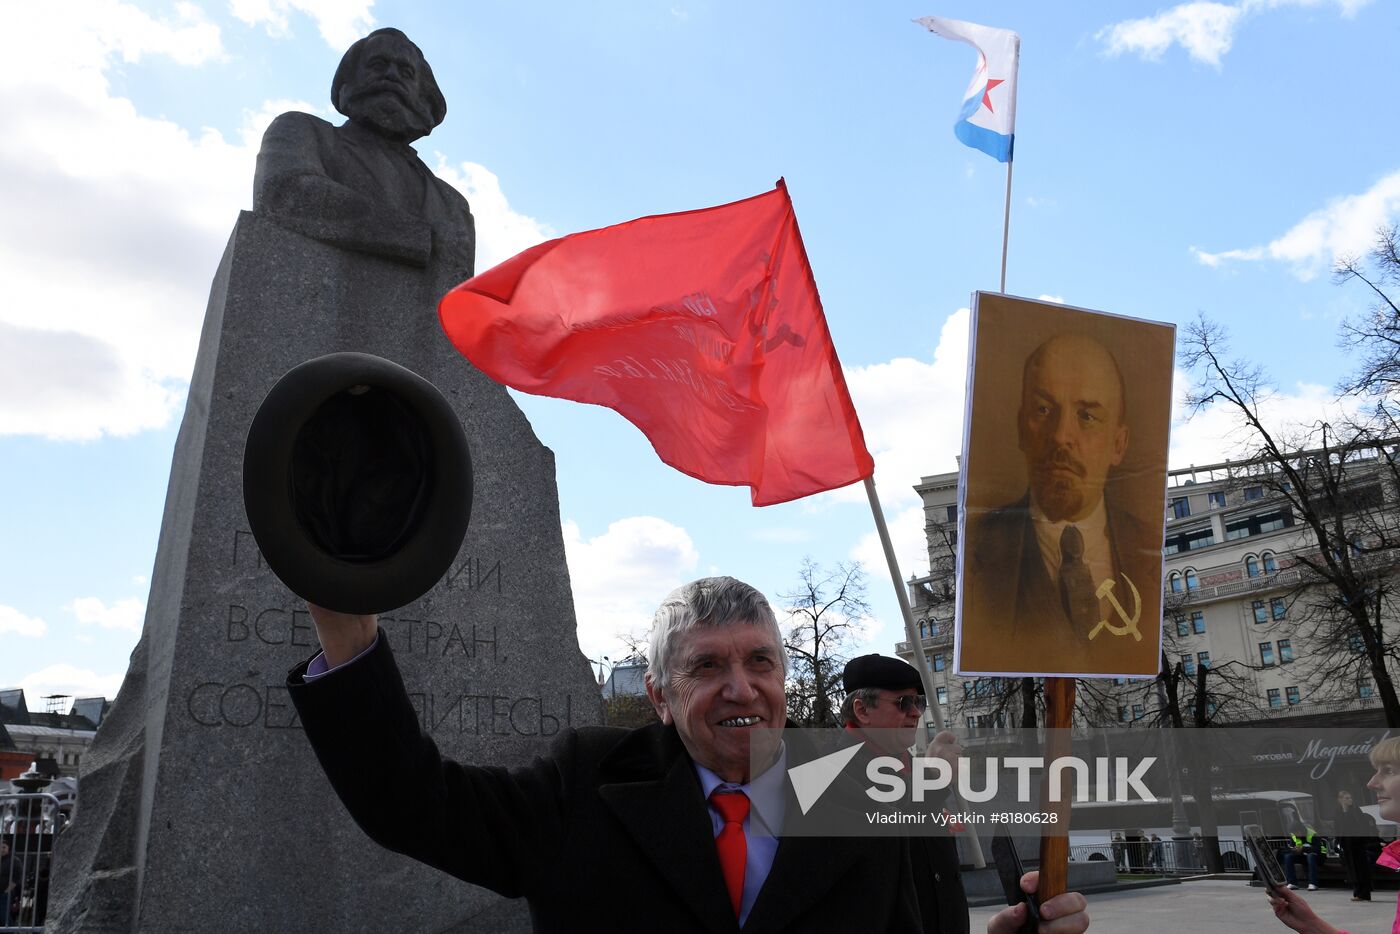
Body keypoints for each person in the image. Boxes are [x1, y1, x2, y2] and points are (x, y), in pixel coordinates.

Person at [289, 576, 1092, 932]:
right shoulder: (586, 785)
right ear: (661, 696)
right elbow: (411, 803)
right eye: (707, 667)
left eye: (760, 662)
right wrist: (346, 629)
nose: (741, 689)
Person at [962, 333, 1160, 675]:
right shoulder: (978, 550)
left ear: (1118, 443)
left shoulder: (1149, 550)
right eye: (1043, 410)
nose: (1060, 435)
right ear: (1022, 428)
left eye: (1087, 416)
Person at [253, 28, 475, 274]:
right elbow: (284, 193)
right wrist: (420, 237)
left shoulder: (452, 204)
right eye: (378, 65)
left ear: (422, 97)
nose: (391, 76)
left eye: (406, 72)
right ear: (349, 82)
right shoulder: (304, 132)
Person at [840, 653, 969, 934]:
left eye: (919, 702)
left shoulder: (910, 770)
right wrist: (934, 779)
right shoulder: (834, 775)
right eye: (903, 703)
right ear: (862, 711)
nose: (916, 712)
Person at [1270, 736, 1400, 933]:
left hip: (1356, 848)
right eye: (1376, 771)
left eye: (1389, 771)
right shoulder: (1340, 813)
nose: (1372, 783)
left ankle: (1362, 891)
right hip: (1348, 849)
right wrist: (1312, 925)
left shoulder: (1355, 812)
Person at [1335, 790, 1376, 902]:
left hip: (1357, 844)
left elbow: (1361, 826)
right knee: (1352, 869)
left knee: (1360, 868)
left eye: (1350, 798)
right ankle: (1357, 892)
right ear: (1340, 800)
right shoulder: (1338, 813)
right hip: (1346, 845)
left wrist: (1359, 839)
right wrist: (1338, 841)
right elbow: (1339, 827)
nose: (1350, 800)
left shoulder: (1355, 810)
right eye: (1347, 798)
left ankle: (1365, 894)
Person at [1282, 819, 1326, 891]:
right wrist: (1294, 850)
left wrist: (1303, 849)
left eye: (1297, 832)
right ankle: (1292, 883)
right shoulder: (1294, 836)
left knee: (1310, 856)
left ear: (1301, 830)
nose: (1295, 834)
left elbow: (1318, 849)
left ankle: (1313, 883)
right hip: (1304, 856)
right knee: (1288, 857)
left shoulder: (1313, 834)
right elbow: (1291, 847)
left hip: (1318, 857)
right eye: (1294, 833)